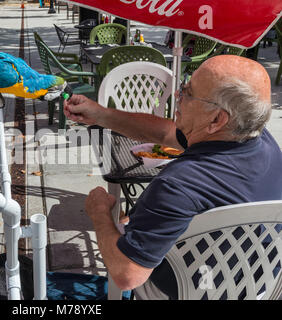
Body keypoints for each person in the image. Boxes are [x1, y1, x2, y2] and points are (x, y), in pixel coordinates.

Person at [63, 55, 282, 299]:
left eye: (188, 92)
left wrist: (100, 214)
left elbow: (127, 274)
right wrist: (101, 115)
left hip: (184, 291)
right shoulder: (263, 143)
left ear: (217, 119)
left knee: (123, 234)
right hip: (255, 285)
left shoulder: (177, 185)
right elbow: (168, 133)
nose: (178, 95)